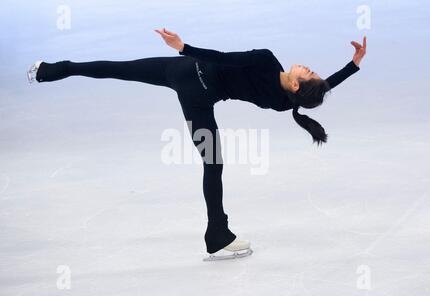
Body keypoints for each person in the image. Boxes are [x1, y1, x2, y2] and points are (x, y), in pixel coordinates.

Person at [27, 28, 366, 261]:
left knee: (119, 70)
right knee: (212, 164)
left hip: (186, 71)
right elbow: (314, 92)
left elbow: (223, 58)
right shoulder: (285, 102)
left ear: (295, 84)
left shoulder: (267, 60)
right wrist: (352, 66)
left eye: (308, 73)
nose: (309, 68)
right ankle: (217, 235)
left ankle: (51, 70)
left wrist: (183, 49)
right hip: (198, 96)